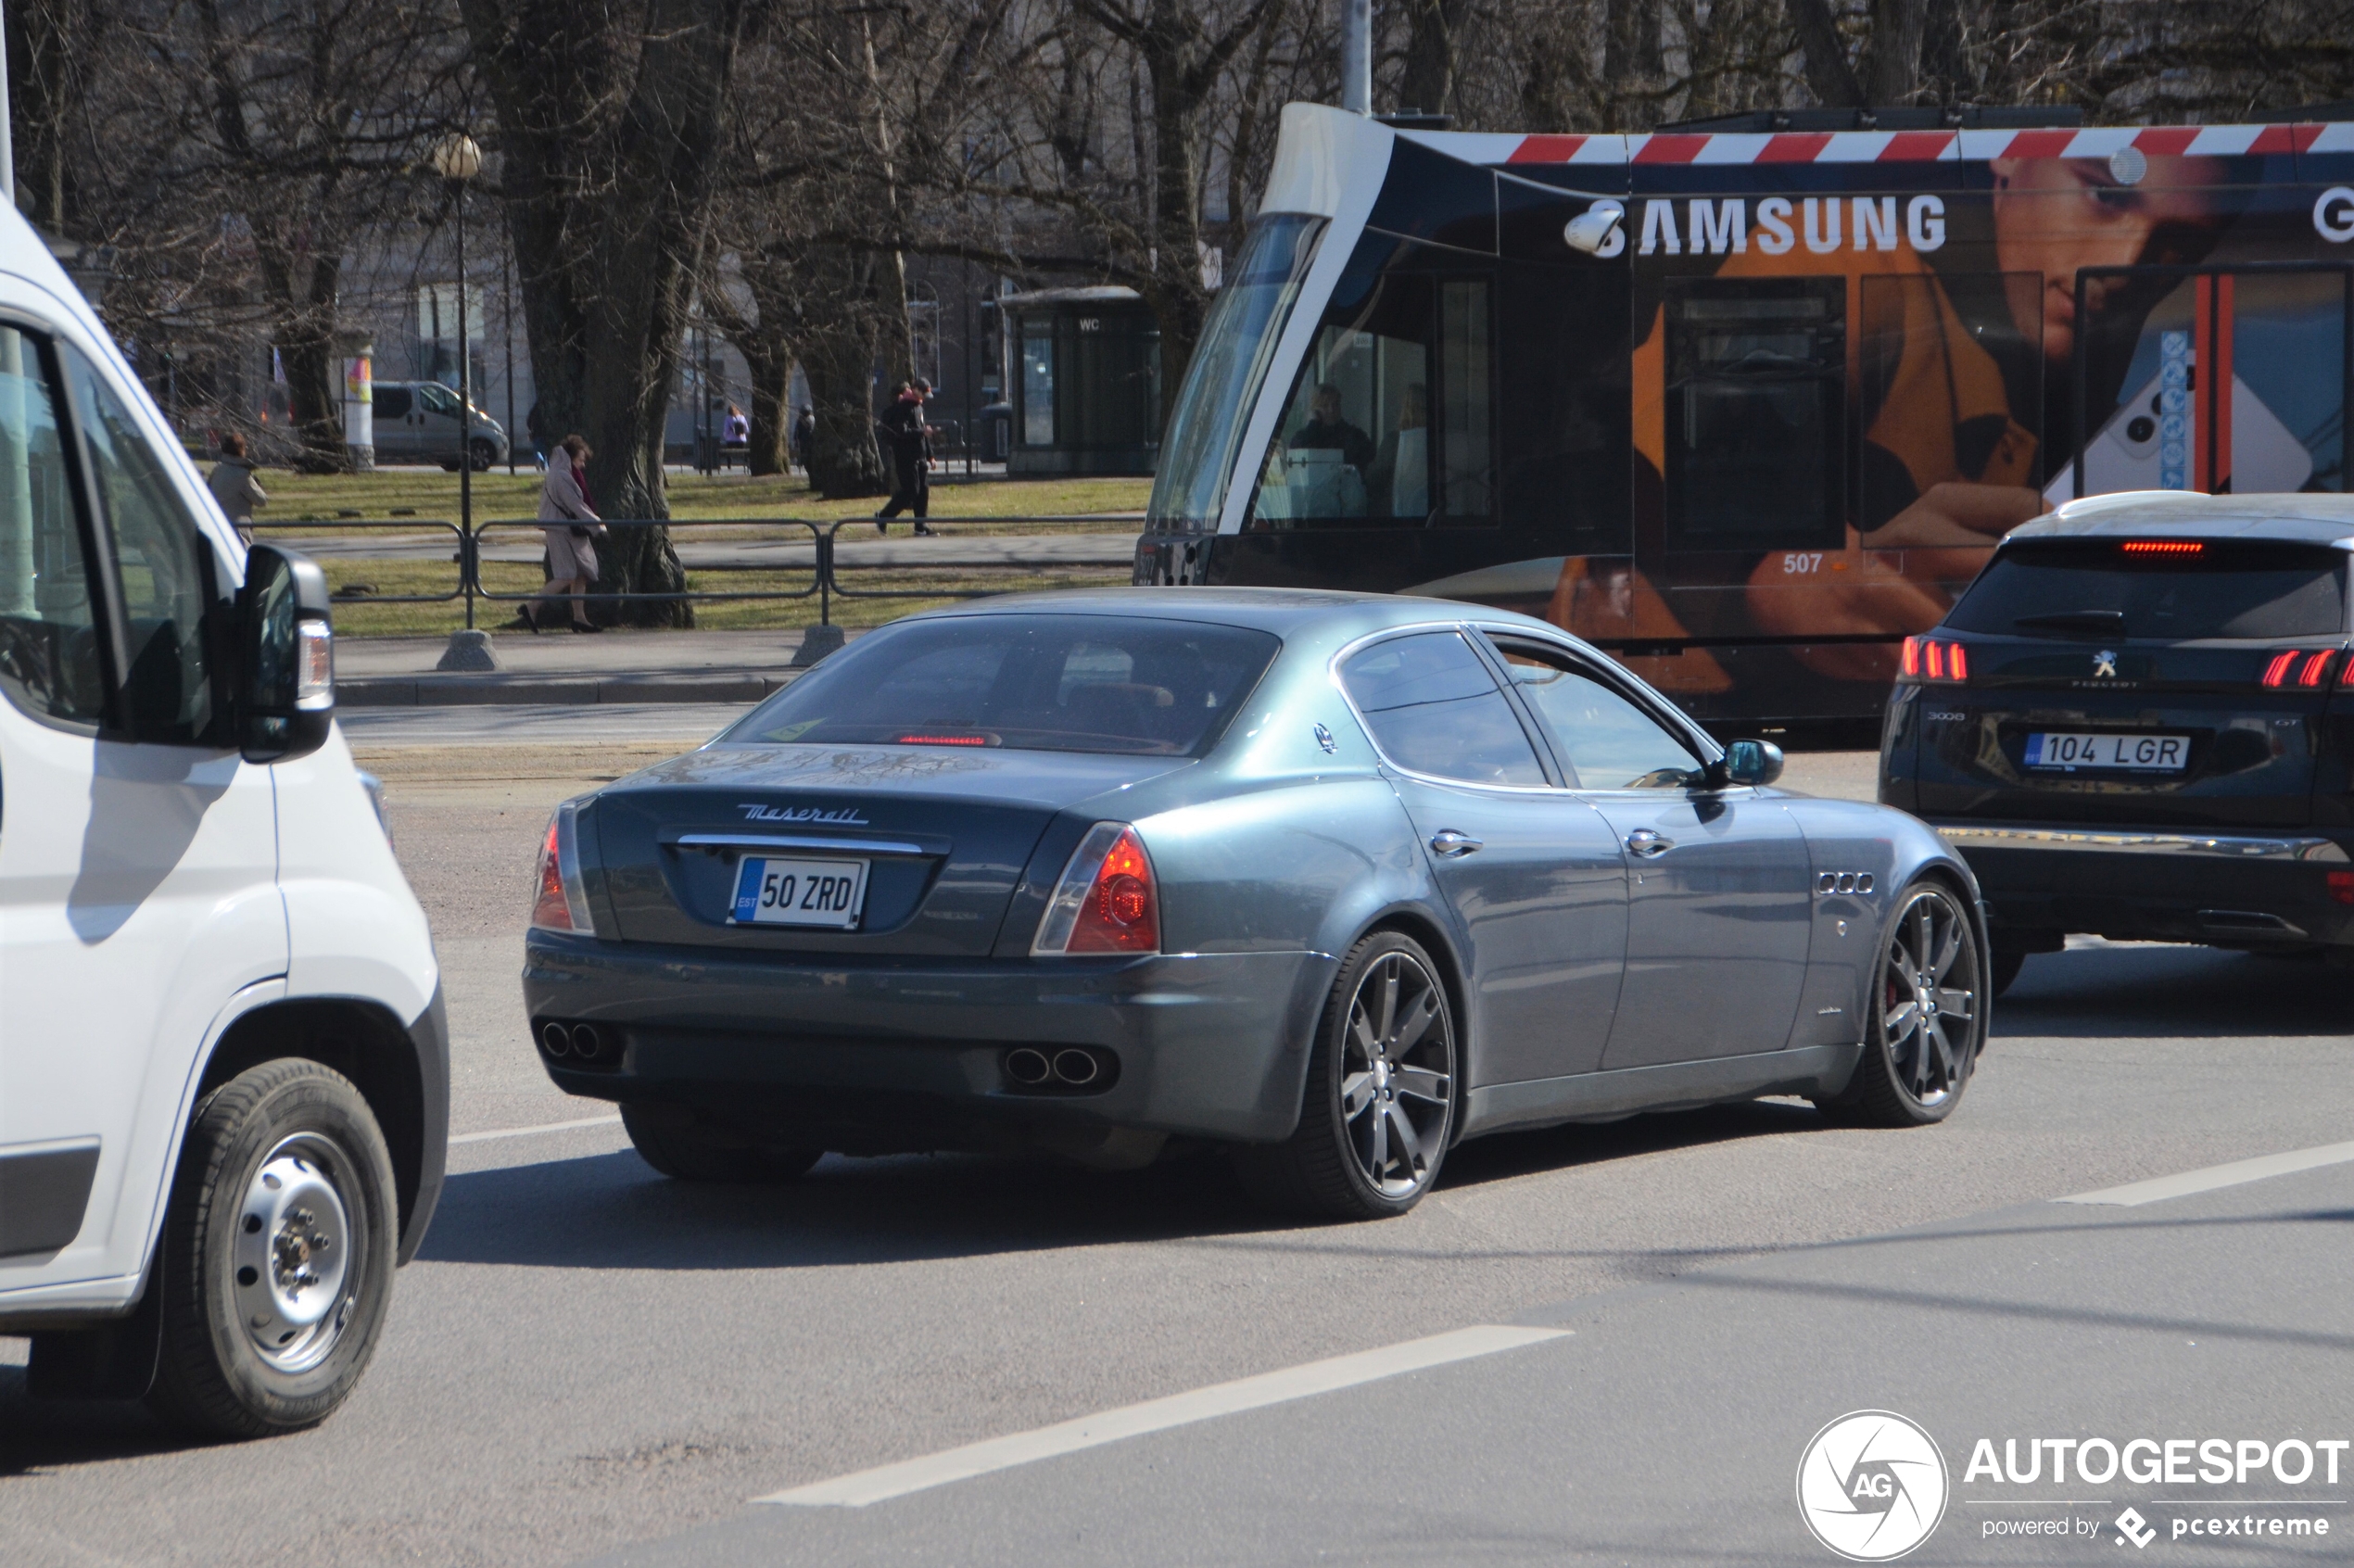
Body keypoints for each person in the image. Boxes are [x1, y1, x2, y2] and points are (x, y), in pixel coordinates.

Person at [514, 433, 604, 633]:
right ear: (571, 457)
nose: (583, 464)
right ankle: (532, 607)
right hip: (560, 529)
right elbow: (575, 504)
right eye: (581, 460)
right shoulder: (561, 476)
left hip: (568, 528)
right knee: (566, 574)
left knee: (582, 572)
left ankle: (579, 618)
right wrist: (597, 525)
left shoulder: (563, 473)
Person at [875, 377, 936, 536]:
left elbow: (924, 433)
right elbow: (901, 431)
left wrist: (930, 456)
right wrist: (921, 432)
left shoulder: (919, 408)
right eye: (922, 393)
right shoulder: (903, 408)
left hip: (920, 455)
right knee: (911, 491)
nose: (923, 398)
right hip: (905, 456)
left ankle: (920, 526)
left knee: (923, 491)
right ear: (914, 389)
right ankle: (883, 516)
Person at [1289, 384, 1374, 474]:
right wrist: (1313, 425)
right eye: (1325, 406)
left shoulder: (1355, 436)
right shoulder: (1303, 437)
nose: (1331, 410)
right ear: (1315, 409)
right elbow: (1297, 460)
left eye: (1335, 404)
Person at [206, 433, 268, 543]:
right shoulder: (242, 474)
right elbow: (261, 500)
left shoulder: (217, 470)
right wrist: (258, 485)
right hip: (237, 533)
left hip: (216, 529)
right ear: (241, 449)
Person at [791, 406, 815, 473]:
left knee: (803, 456)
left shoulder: (801, 421)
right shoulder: (813, 419)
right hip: (811, 442)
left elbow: (796, 433)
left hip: (803, 443)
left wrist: (796, 441)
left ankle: (800, 463)